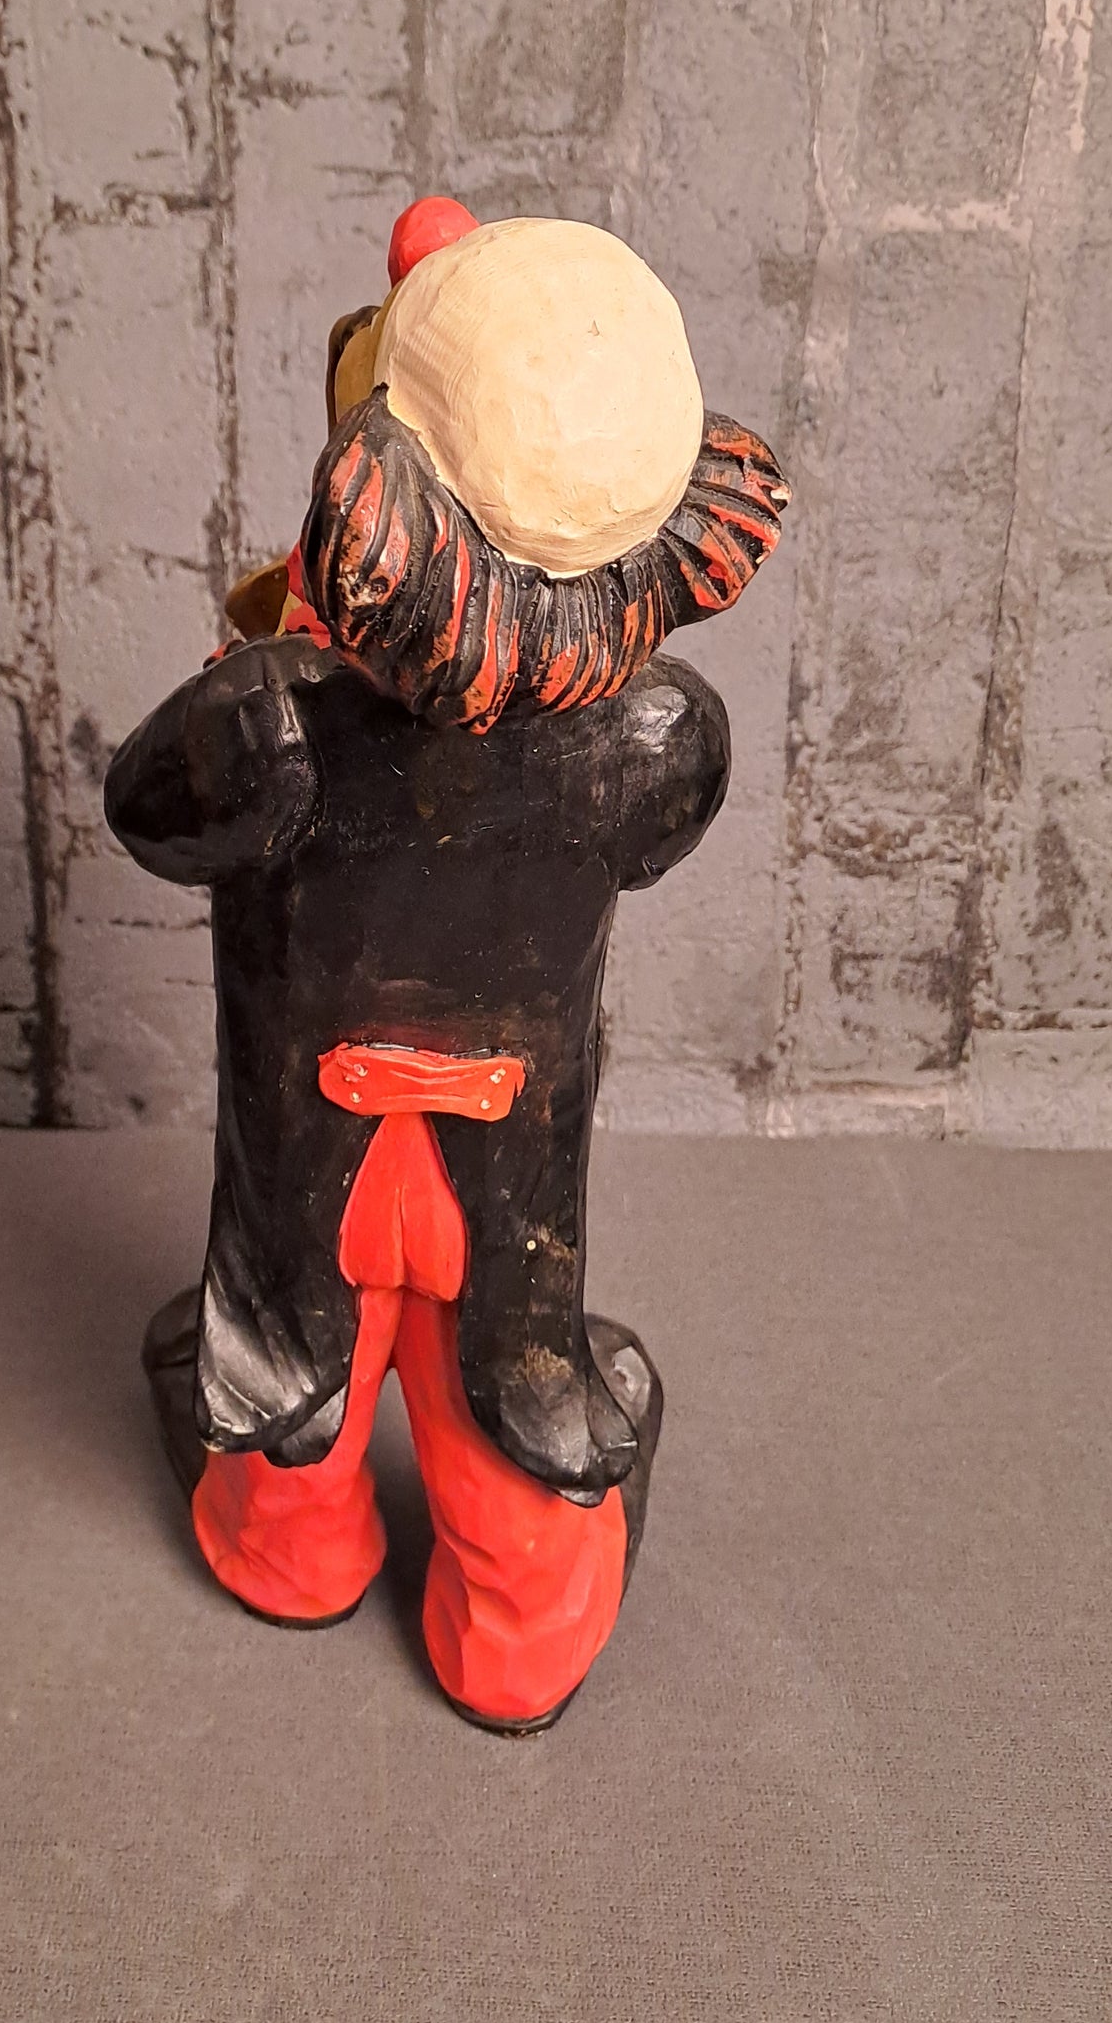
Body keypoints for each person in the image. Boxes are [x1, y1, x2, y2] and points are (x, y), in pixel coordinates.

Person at [105, 200, 789, 1731]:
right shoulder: (657, 736)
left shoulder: (273, 722)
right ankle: (518, 1633)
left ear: (377, 498)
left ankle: (291, 1552)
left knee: (290, 1348)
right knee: (512, 1377)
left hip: (311, 1123)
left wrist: (272, 655)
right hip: (508, 1136)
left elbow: (148, 809)